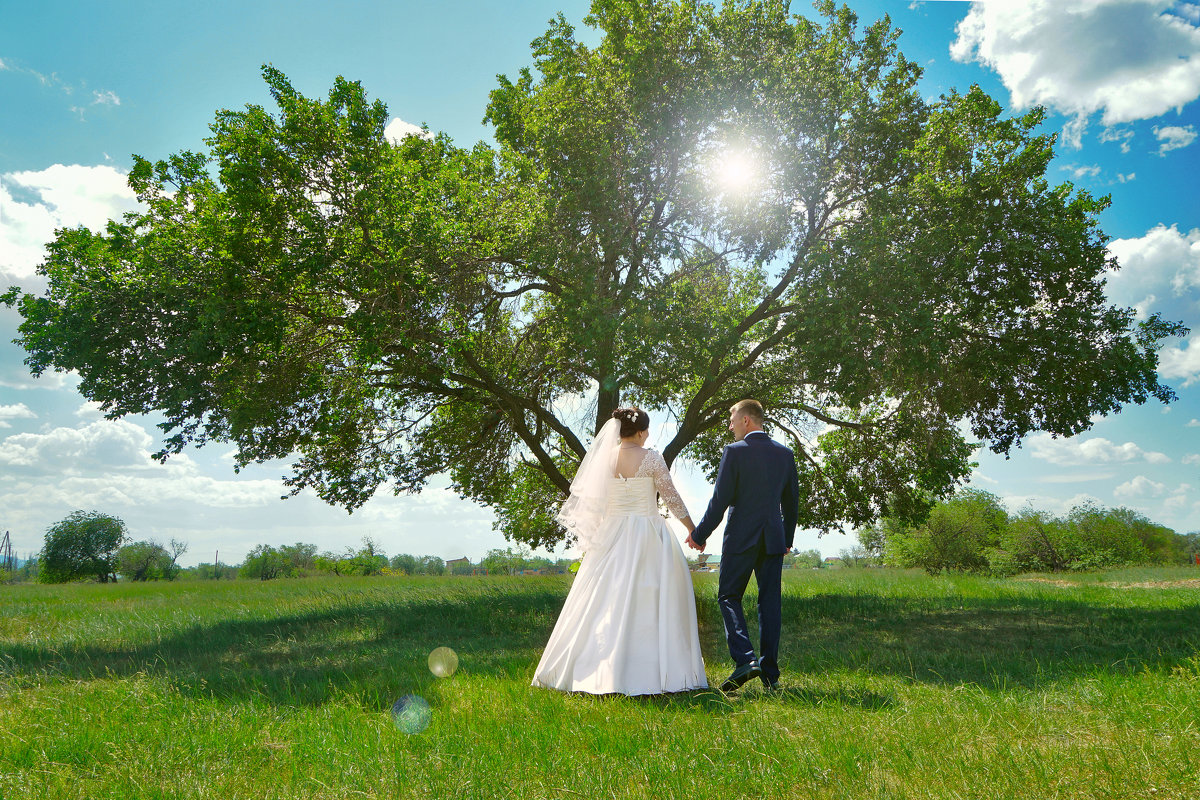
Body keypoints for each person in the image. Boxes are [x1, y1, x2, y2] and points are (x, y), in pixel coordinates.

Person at [532, 407, 709, 695]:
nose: (647, 435)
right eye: (647, 430)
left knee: (602, 599)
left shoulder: (605, 458)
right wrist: (692, 529)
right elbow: (671, 496)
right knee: (652, 597)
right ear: (640, 432)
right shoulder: (651, 457)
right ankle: (651, 668)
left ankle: (596, 665)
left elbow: (596, 501)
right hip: (647, 532)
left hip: (612, 533)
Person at [686, 399, 799, 692]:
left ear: (747, 421)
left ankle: (746, 659)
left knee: (728, 596)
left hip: (740, 538)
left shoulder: (734, 452)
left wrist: (698, 535)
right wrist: (786, 540)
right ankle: (770, 676)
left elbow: (720, 501)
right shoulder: (785, 454)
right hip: (773, 539)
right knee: (769, 603)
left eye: (732, 419)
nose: (730, 425)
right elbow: (791, 503)